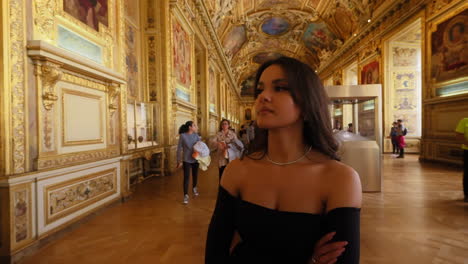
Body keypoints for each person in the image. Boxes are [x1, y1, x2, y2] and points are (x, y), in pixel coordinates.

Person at [206, 57, 361, 263]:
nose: (264, 97)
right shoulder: (238, 170)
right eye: (260, 90)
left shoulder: (339, 179)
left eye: (280, 88)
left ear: (307, 104)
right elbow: (215, 253)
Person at [176, 121, 201, 204]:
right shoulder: (183, 136)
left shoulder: (196, 135)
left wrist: (202, 158)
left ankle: (194, 187)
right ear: (190, 127)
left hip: (195, 159)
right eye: (194, 125)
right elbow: (179, 149)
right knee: (186, 178)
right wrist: (179, 161)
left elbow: (200, 146)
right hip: (186, 160)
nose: (196, 127)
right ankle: (185, 195)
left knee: (195, 175)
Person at [455, 118, 468, 202]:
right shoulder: (464, 121)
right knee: (467, 173)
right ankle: (467, 195)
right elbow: (459, 135)